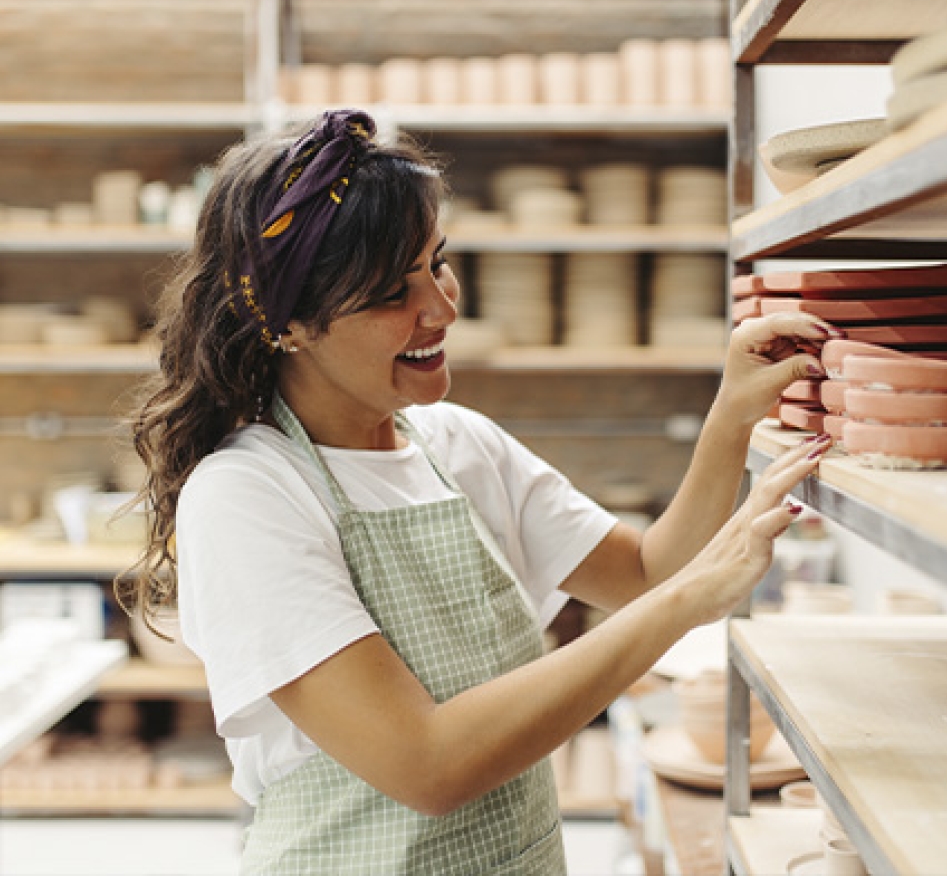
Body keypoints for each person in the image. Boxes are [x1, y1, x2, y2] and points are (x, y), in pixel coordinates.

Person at [122, 109, 841, 875]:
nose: (441, 306)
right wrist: (689, 600)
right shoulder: (248, 496)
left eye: (438, 262)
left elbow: (642, 573)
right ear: (290, 323)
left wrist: (731, 416)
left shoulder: (460, 445)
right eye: (390, 294)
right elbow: (427, 764)